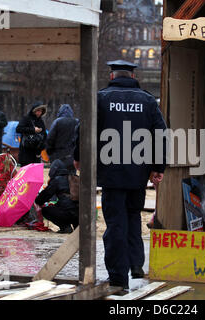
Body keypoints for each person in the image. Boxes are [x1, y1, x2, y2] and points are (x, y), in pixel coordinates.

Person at [74, 60, 167, 289]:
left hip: (111, 173)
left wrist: (79, 157)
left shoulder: (101, 98)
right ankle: (136, 264)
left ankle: (118, 277)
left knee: (116, 223)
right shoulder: (147, 100)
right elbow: (161, 135)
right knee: (133, 217)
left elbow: (85, 129)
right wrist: (158, 167)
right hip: (138, 173)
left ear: (112, 75)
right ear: (134, 76)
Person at [35, 159, 79, 234]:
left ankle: (65, 227)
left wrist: (38, 200)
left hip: (68, 213)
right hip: (81, 215)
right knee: (71, 208)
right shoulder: (75, 177)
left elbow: (44, 196)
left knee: (46, 211)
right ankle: (77, 228)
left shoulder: (57, 180)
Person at [46, 104, 79, 173]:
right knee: (71, 179)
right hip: (72, 157)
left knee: (58, 177)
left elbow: (50, 139)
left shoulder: (57, 122)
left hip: (57, 157)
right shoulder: (76, 122)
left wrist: (50, 153)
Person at [16, 101, 47, 166]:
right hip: (25, 151)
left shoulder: (41, 121)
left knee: (35, 174)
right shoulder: (26, 118)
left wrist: (41, 148)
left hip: (36, 152)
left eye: (41, 111)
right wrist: (33, 130)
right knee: (25, 173)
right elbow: (18, 129)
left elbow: (44, 135)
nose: (39, 113)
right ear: (34, 110)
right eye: (38, 110)